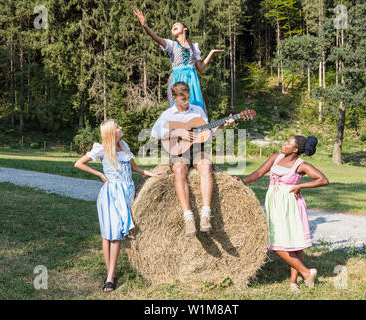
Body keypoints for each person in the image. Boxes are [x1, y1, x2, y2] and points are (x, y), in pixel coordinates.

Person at [74, 119, 162, 292]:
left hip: (126, 192)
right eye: (118, 127)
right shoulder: (102, 148)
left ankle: (110, 273)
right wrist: (99, 173)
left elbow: (135, 168)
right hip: (111, 194)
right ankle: (110, 278)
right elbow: (78, 163)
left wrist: (151, 174)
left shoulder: (124, 145)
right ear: (111, 132)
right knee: (111, 236)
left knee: (113, 235)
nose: (121, 128)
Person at [233, 136, 329, 293]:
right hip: (274, 203)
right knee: (276, 239)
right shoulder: (275, 158)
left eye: (287, 143)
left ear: (295, 150)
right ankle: (306, 273)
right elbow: (259, 173)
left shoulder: (301, 165)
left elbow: (323, 180)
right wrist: (243, 181)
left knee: (294, 242)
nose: (283, 144)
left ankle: (294, 282)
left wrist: (301, 185)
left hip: (291, 204)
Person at [151, 81, 234, 237]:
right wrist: (178, 133)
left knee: (206, 165)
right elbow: (156, 133)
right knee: (179, 169)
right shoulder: (168, 114)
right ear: (174, 97)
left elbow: (208, 134)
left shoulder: (198, 111)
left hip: (197, 150)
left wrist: (222, 126)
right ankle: (188, 217)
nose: (187, 101)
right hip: (178, 151)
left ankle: (205, 215)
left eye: (188, 97)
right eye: (183, 99)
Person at [134, 8, 223, 114]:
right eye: (172, 27)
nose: (173, 26)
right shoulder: (171, 45)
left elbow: (201, 68)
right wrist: (145, 26)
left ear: (185, 29)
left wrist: (211, 52)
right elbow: (156, 38)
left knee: (194, 108)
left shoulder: (194, 47)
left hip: (191, 81)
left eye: (176, 25)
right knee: (178, 109)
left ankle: (197, 128)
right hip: (177, 79)